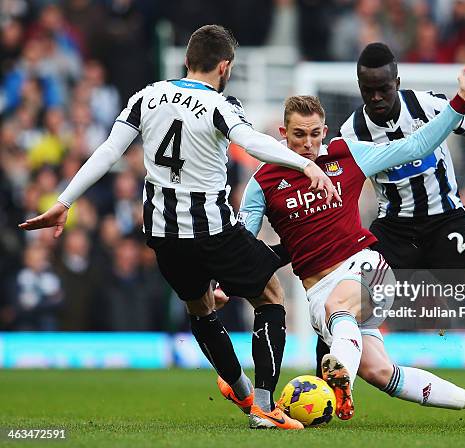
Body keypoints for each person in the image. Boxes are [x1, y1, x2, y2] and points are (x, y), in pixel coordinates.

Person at [19, 24, 340, 430]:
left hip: (163, 234)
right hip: (213, 230)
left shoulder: (146, 95)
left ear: (187, 60)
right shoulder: (220, 106)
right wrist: (306, 163)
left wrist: (64, 201)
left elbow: (107, 151)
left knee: (200, 308)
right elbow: (252, 142)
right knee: (271, 297)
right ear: (225, 67)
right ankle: (262, 403)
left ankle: (240, 391)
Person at [236, 61, 465, 421]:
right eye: (298, 135)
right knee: (383, 373)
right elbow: (244, 240)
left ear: (325, 131)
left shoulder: (347, 153)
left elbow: (417, 143)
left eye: (315, 134)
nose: (308, 144)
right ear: (283, 132)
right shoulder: (262, 181)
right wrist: (226, 281)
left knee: (338, 307)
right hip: (318, 292)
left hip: (366, 268)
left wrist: (461, 101)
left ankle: (340, 386)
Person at [325, 42, 465, 425]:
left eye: (383, 88)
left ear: (397, 81)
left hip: (446, 221)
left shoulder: (428, 106)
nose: (375, 97)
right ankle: (325, 396)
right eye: (367, 89)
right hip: (393, 229)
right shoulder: (351, 131)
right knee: (343, 302)